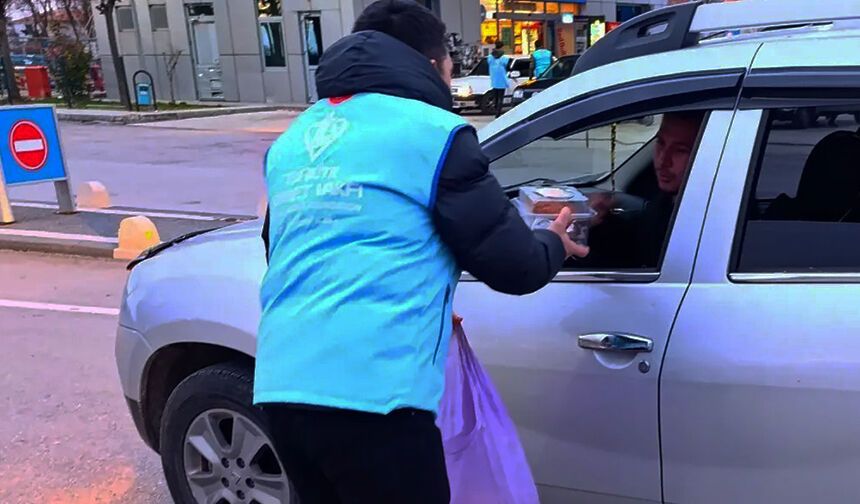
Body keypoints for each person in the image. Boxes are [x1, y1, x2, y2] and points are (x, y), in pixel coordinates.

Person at [256, 1, 589, 503]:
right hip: (377, 397)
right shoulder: (433, 133)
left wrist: (424, 294)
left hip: (282, 389)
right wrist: (554, 242)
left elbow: (293, 248)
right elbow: (515, 265)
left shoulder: (293, 140)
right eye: (452, 64)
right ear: (433, 65)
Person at [587, 111, 704, 268]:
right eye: (661, 143)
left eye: (680, 150)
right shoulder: (664, 206)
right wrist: (598, 225)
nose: (663, 160)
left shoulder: (702, 227)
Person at [487, 40, 509, 117]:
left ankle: (495, 108)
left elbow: (488, 62)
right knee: (500, 97)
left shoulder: (490, 57)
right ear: (502, 47)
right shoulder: (504, 57)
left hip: (494, 79)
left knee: (495, 97)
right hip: (502, 79)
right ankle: (498, 113)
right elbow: (506, 65)